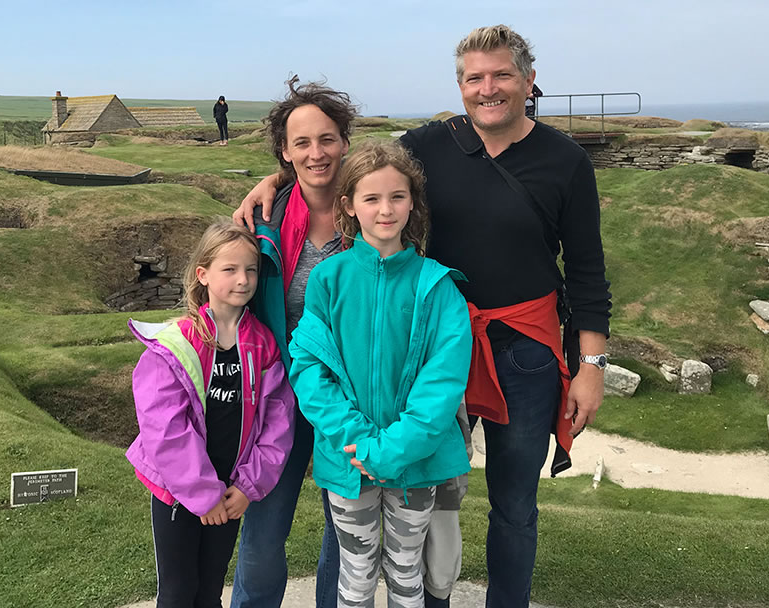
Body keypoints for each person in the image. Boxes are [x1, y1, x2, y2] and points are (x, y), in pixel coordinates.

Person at [235, 25, 611, 608]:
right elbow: (355, 170)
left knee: (513, 504)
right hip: (425, 339)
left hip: (521, 348)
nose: (488, 89)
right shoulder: (432, 144)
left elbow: (587, 270)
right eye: (474, 78)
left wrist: (590, 366)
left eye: (502, 75)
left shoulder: (565, 161)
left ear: (529, 81)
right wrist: (280, 177)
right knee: (434, 499)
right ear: (459, 85)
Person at [289, 140, 472, 608]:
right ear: (349, 205)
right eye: (372, 198)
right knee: (355, 574)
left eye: (397, 197)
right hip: (348, 458)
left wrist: (389, 450)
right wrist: (359, 442)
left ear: (413, 202)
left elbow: (443, 384)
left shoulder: (438, 286)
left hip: (416, 463)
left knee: (408, 571)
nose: (385, 209)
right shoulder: (327, 280)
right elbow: (309, 367)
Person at [229, 77, 357, 608]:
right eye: (301, 143)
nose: (316, 152)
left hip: (350, 395)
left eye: (326, 138)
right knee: (263, 530)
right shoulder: (267, 217)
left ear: (345, 141)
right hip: (277, 390)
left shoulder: (373, 207)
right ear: (284, 151)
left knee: (346, 531)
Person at [125, 221, 296, 608]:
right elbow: (165, 428)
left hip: (232, 492)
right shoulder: (176, 342)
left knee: (210, 592)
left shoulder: (263, 343)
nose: (243, 279)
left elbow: (278, 422)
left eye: (251, 269)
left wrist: (249, 487)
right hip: (179, 496)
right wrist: (204, 495)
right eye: (230, 269)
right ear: (202, 274)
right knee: (178, 592)